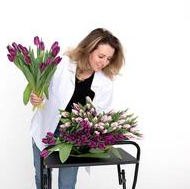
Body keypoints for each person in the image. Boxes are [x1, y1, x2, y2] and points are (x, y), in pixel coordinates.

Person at [30, 28, 125, 189]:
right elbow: (42, 89)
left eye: (108, 59)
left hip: (73, 137)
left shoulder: (105, 83)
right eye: (100, 56)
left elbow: (100, 115)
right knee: (42, 178)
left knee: (67, 184)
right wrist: (36, 96)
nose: (104, 62)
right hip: (46, 129)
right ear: (88, 49)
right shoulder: (61, 64)